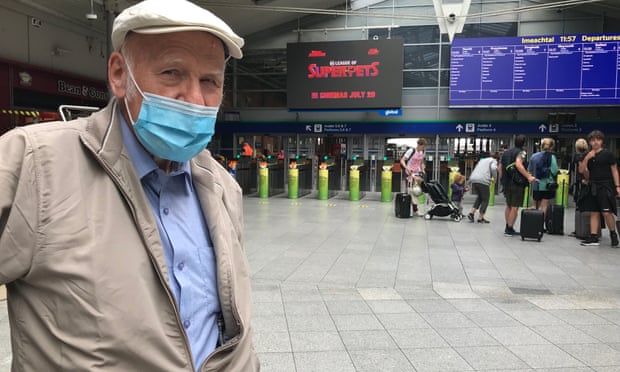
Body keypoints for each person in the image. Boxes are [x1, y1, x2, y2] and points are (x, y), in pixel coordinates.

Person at [0, 0, 259, 370]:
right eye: (172, 73)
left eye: (209, 81)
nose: (195, 100)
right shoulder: (34, 163)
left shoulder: (221, 188)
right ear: (120, 74)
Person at [578, 130, 620, 247]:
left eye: (598, 139)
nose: (595, 142)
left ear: (602, 141)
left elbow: (614, 170)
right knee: (594, 211)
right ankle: (593, 236)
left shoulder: (608, 155)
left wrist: (617, 186)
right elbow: (581, 170)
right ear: (590, 142)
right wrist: (587, 158)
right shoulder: (589, 155)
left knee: (606, 212)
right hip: (593, 184)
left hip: (605, 184)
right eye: (593, 140)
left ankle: (613, 233)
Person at [499, 134, 536, 236]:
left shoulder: (506, 153)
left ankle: (507, 225)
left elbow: (501, 168)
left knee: (509, 205)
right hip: (517, 183)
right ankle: (509, 228)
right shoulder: (522, 152)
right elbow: (519, 164)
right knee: (515, 206)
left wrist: (503, 180)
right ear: (524, 143)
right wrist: (528, 176)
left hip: (506, 183)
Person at [527, 138, 559, 224]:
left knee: (535, 205)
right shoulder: (552, 157)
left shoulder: (534, 156)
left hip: (536, 184)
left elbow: (529, 170)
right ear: (552, 147)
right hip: (547, 185)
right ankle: (540, 225)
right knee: (544, 206)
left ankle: (533, 225)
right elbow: (555, 170)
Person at [467, 152, 499, 223]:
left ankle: (471, 213)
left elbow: (475, 171)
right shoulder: (493, 160)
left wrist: (469, 182)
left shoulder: (482, 160)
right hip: (483, 181)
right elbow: (494, 168)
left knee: (480, 197)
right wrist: (495, 178)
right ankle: (480, 217)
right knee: (485, 199)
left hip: (474, 180)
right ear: (497, 158)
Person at [400, 138, 427, 216]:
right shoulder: (411, 151)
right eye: (423, 146)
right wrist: (406, 167)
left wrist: (423, 169)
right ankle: (412, 210)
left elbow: (421, 162)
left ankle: (414, 209)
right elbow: (402, 160)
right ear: (419, 145)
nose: (423, 148)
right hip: (409, 174)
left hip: (417, 174)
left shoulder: (422, 152)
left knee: (417, 191)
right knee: (410, 191)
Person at [568, 138, 589, 237]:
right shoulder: (589, 156)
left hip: (579, 182)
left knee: (579, 206)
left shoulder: (577, 157)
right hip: (589, 183)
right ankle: (588, 228)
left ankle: (578, 229)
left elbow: (573, 169)